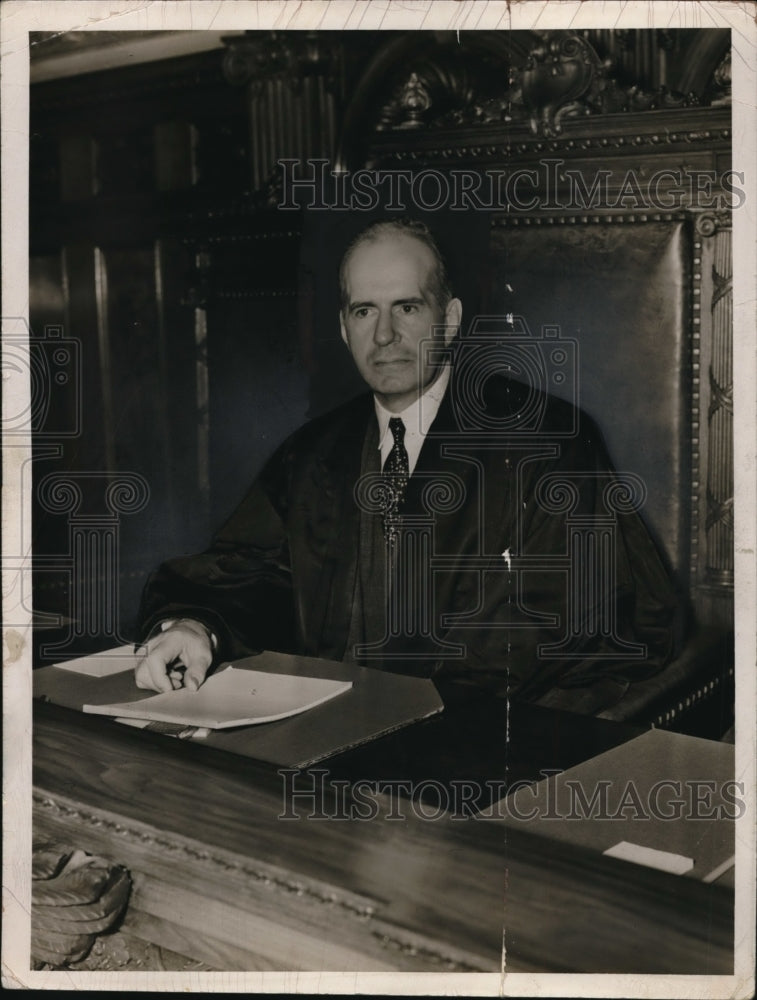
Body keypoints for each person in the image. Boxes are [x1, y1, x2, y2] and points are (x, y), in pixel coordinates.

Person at [135, 218, 679, 706]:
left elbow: (558, 628)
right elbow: (250, 570)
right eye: (365, 310)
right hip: (321, 730)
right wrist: (194, 626)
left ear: (451, 318)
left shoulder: (545, 441)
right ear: (345, 328)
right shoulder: (314, 451)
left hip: (479, 742)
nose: (386, 335)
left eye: (408, 307)